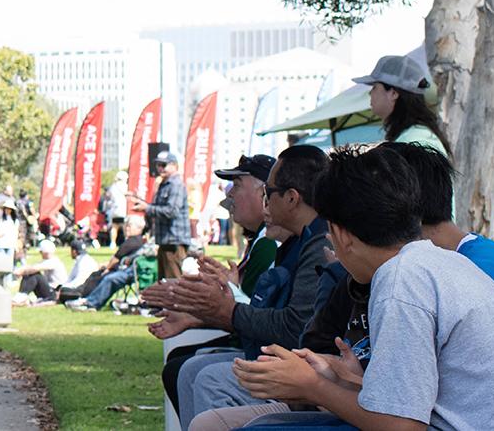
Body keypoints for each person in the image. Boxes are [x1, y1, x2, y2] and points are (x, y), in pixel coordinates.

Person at [195, 142, 494, 431]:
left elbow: (402, 427)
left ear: (342, 234)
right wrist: (347, 379)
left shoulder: (402, 280)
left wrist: (311, 385)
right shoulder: (435, 263)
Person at [164, 146, 344, 424]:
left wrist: (226, 309)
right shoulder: (302, 241)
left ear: (292, 198)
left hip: (310, 376)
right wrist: (214, 308)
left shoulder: (317, 243)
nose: (230, 195)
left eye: (268, 193)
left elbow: (295, 327)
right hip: (297, 365)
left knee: (207, 379)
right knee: (192, 372)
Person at [139, 154, 275, 409]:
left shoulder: (269, 243)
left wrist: (199, 304)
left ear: (265, 194)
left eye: (237, 185)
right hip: (256, 344)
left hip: (265, 353)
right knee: (181, 364)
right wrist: (196, 311)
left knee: (187, 369)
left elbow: (259, 315)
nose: (229, 195)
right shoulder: (263, 241)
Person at [360, 54, 448, 155]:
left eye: (374, 87)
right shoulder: (415, 137)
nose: (370, 93)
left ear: (393, 93)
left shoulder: (414, 140)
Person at [135, 150, 190, 279]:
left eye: (163, 165)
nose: (160, 168)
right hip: (166, 241)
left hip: (174, 241)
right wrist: (144, 206)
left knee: (173, 282)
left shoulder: (175, 185)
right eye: (158, 165)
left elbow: (171, 211)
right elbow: (160, 209)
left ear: (174, 165)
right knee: (165, 282)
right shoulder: (164, 184)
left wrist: (147, 208)